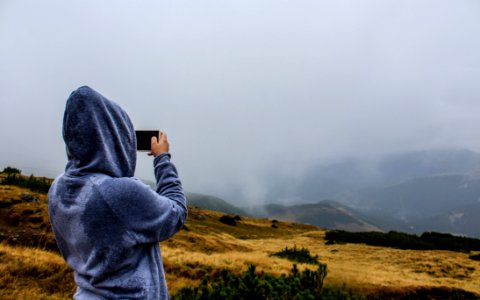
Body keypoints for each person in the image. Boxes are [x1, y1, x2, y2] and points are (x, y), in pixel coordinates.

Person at [48, 86, 187, 299]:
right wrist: (162, 159)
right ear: (112, 138)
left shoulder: (58, 189)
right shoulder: (118, 194)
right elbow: (176, 212)